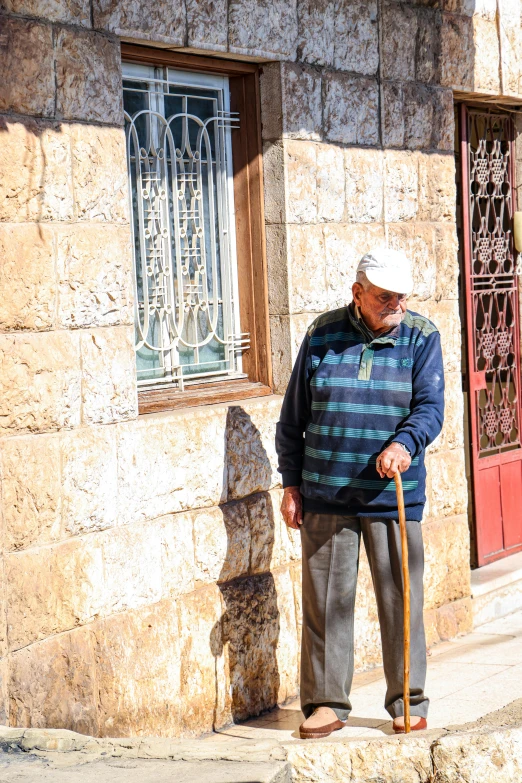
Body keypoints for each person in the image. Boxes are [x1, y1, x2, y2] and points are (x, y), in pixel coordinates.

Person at [275, 247, 444, 739]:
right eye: (385, 297)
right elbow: (293, 419)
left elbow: (431, 406)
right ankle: (327, 704)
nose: (396, 305)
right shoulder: (321, 335)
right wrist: (291, 484)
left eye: (401, 297)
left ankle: (407, 698)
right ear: (357, 293)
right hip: (325, 493)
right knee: (326, 604)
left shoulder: (422, 336)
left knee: (401, 599)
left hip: (394, 494)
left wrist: (404, 442)